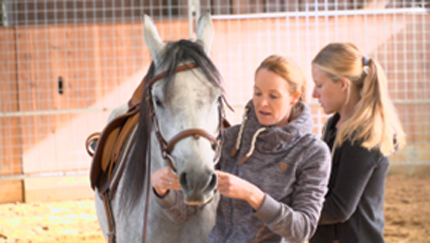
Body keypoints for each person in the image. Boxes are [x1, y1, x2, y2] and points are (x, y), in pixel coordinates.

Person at [152, 55, 331, 243]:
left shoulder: (313, 152)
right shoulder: (231, 139)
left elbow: (302, 229)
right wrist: (162, 191)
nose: (262, 103)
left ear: (294, 98)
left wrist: (252, 195)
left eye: (273, 96)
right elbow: (187, 210)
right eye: (258, 92)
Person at [309, 43, 406, 243]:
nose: (314, 94)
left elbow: (339, 208)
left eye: (319, 85)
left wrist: (289, 212)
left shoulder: (363, 137)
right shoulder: (334, 125)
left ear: (343, 84)